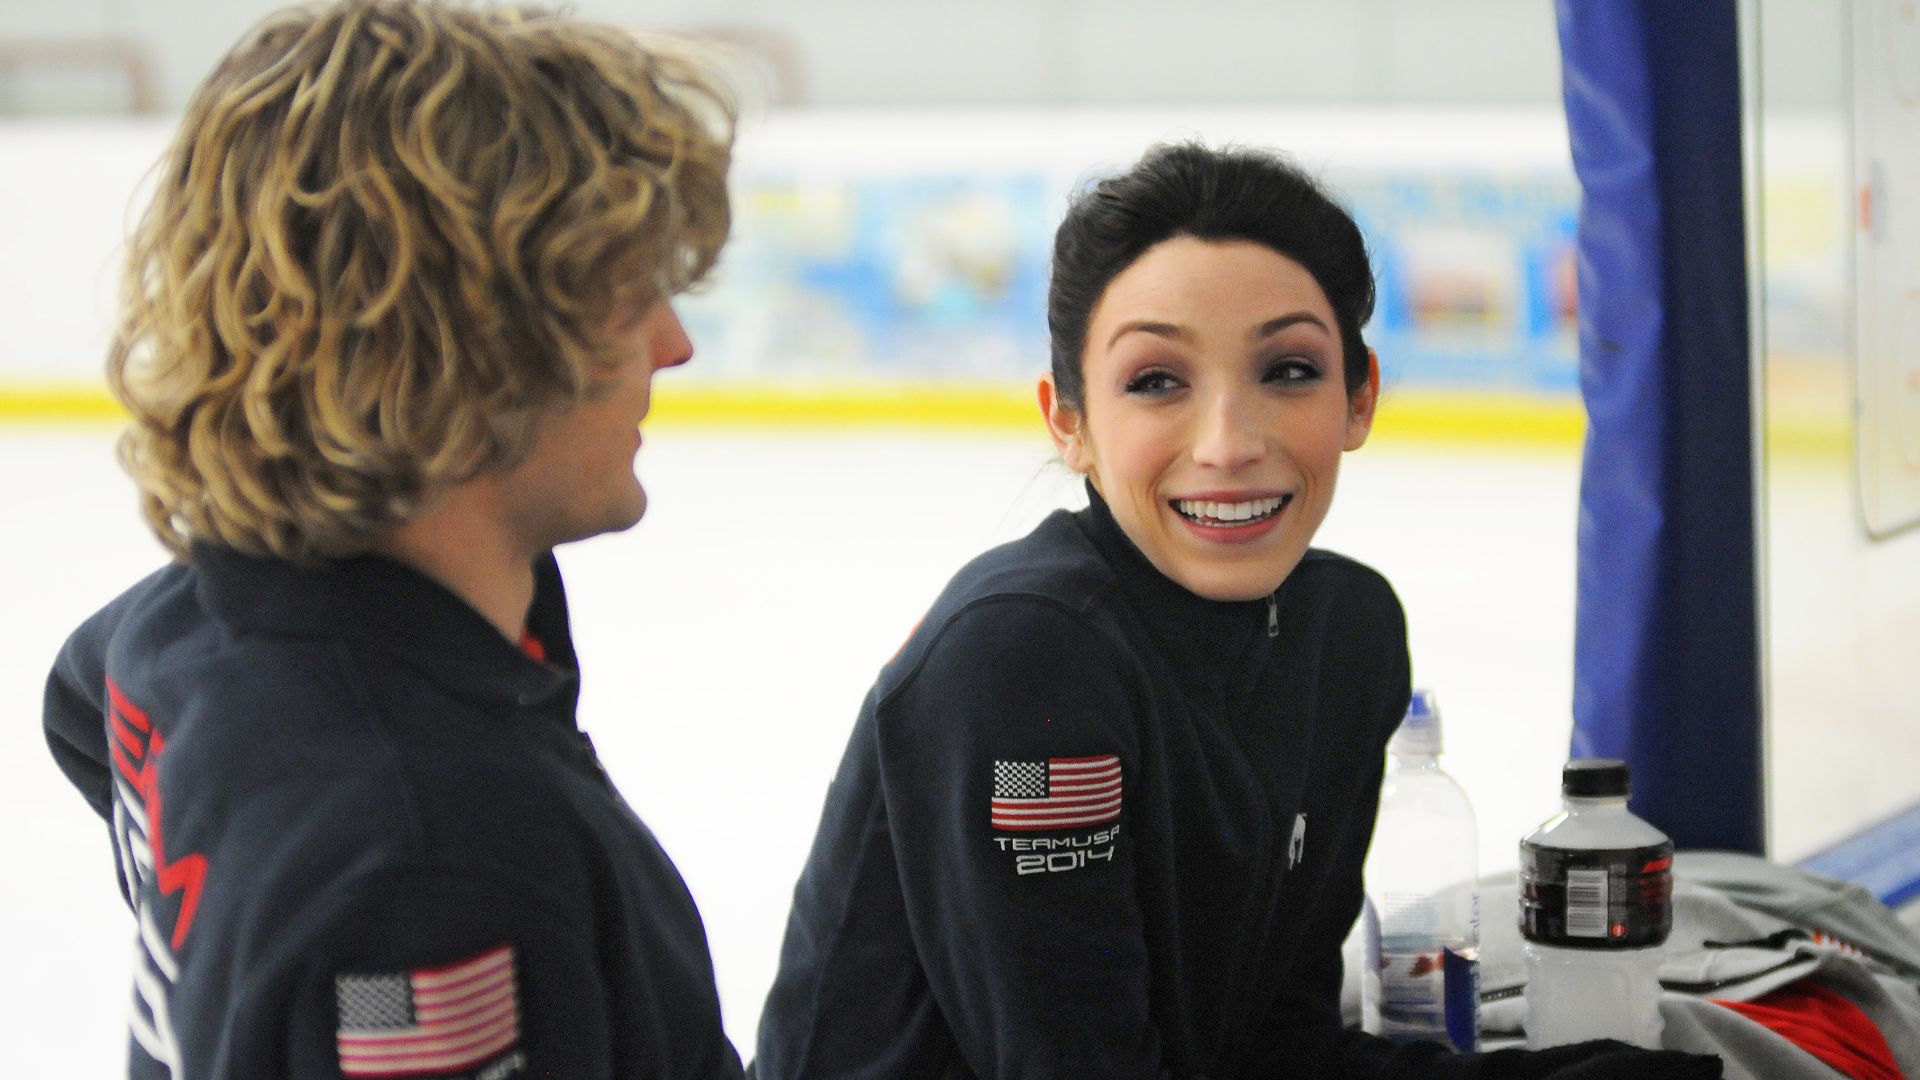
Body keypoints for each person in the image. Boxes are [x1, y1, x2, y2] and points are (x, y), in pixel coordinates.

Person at [750, 144, 1720, 1079]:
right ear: (1070, 421)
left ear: (1359, 397)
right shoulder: (1022, 659)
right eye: (1157, 382)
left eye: (1288, 370)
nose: (1227, 442)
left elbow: (1275, 1046)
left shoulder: (1349, 635)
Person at [42, 2, 741, 1077]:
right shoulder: (430, 877)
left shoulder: (188, 628)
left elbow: (88, 698)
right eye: (622, 292)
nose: (673, 342)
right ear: (472, 340)